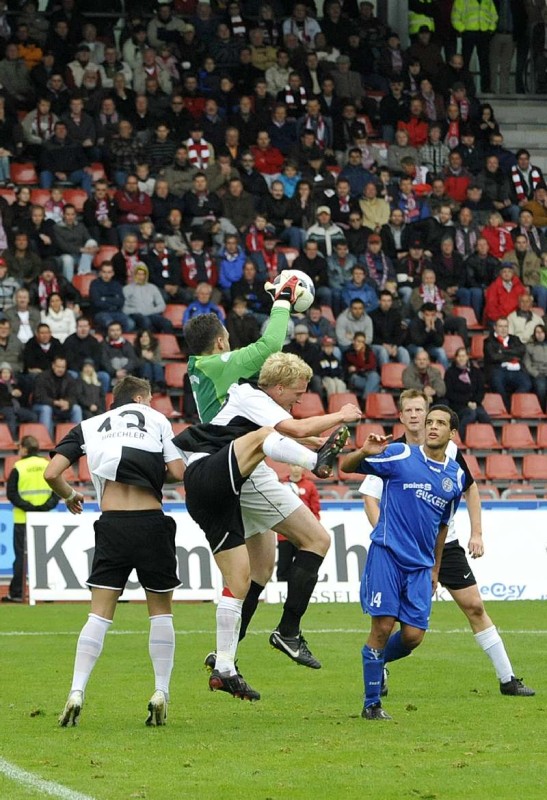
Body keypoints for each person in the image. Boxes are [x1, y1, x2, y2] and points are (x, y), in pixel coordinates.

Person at [183, 275, 360, 677]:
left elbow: (296, 432)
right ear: (221, 343)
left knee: (259, 571)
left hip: (229, 469)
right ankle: (289, 631)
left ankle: (225, 655)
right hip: (241, 472)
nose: (300, 397)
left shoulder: (222, 383)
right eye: (297, 391)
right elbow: (269, 348)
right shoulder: (219, 370)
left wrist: (344, 445)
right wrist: (282, 300)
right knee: (317, 538)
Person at [359, 389, 535, 704]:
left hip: (444, 546)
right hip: (399, 547)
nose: (416, 416)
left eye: (420, 410)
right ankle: (376, 664)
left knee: (475, 607)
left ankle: (507, 678)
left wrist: (477, 533)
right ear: (402, 416)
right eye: (409, 411)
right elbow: (370, 496)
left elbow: (470, 488)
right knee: (393, 625)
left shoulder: (450, 450)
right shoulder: (394, 450)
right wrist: (388, 533)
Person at [45, 376, 184, 727]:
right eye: (149, 400)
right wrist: (154, 471)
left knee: (98, 615)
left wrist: (69, 496)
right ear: (139, 399)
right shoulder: (156, 420)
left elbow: (51, 473)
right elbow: (178, 472)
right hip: (151, 523)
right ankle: (160, 691)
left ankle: (77, 690)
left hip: (112, 526)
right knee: (161, 613)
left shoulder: (89, 426)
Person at [341, 404, 468, 720]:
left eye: (441, 423)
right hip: (387, 554)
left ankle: (377, 662)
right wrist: (364, 451)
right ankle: (372, 704)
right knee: (382, 627)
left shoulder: (455, 477)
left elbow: (442, 527)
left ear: (453, 434)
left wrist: (436, 568)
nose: (433, 427)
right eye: (430, 422)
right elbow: (346, 466)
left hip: (421, 566)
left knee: (413, 637)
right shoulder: (400, 454)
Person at [2, 435, 59, 603]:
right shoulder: (47, 465)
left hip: (23, 519)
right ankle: (48, 593)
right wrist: (43, 507)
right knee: (46, 556)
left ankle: (18, 593)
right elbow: (57, 492)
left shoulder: (18, 467)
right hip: (44, 519)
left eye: (20, 447)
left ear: (25, 449)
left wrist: (29, 507)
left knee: (21, 557)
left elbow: (12, 494)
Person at [277, 464, 321, 581]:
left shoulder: (310, 486)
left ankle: (297, 593)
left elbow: (315, 510)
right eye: (293, 465)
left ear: (303, 468)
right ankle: (280, 594)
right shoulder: (281, 486)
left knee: (302, 566)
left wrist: (312, 529)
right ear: (289, 466)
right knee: (283, 566)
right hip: (284, 534)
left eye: (299, 466)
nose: (296, 468)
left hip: (304, 534)